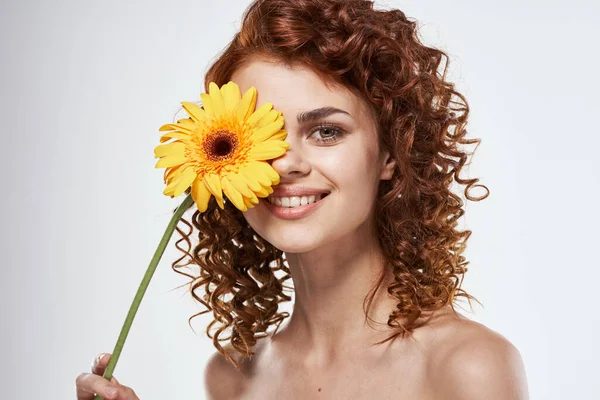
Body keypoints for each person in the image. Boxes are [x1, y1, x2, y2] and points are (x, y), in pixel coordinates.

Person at [76, 0, 530, 399]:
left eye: (326, 131)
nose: (284, 164)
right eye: (261, 138)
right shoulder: (233, 378)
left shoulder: (468, 368)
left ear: (392, 153)